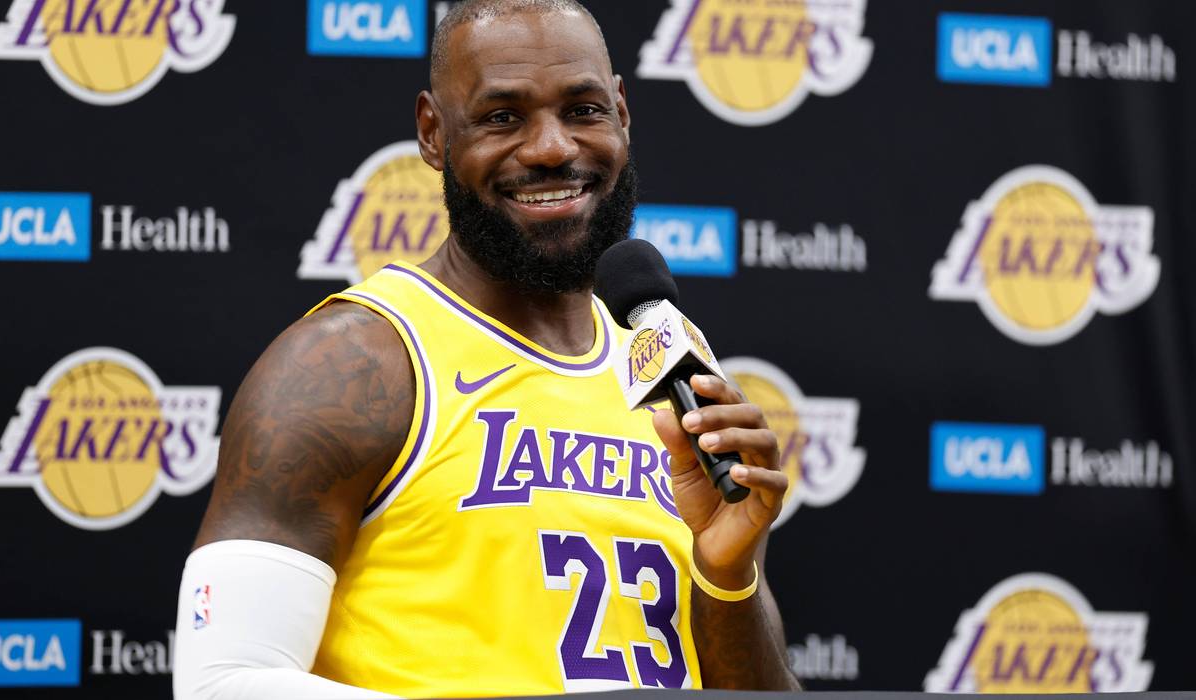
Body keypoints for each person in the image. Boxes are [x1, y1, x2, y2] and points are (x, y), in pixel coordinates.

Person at [173, 1, 801, 697]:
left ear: (622, 113)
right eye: (503, 117)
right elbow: (223, 682)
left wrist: (727, 574)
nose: (551, 148)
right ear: (433, 133)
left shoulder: (666, 359)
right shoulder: (351, 363)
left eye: (583, 109)